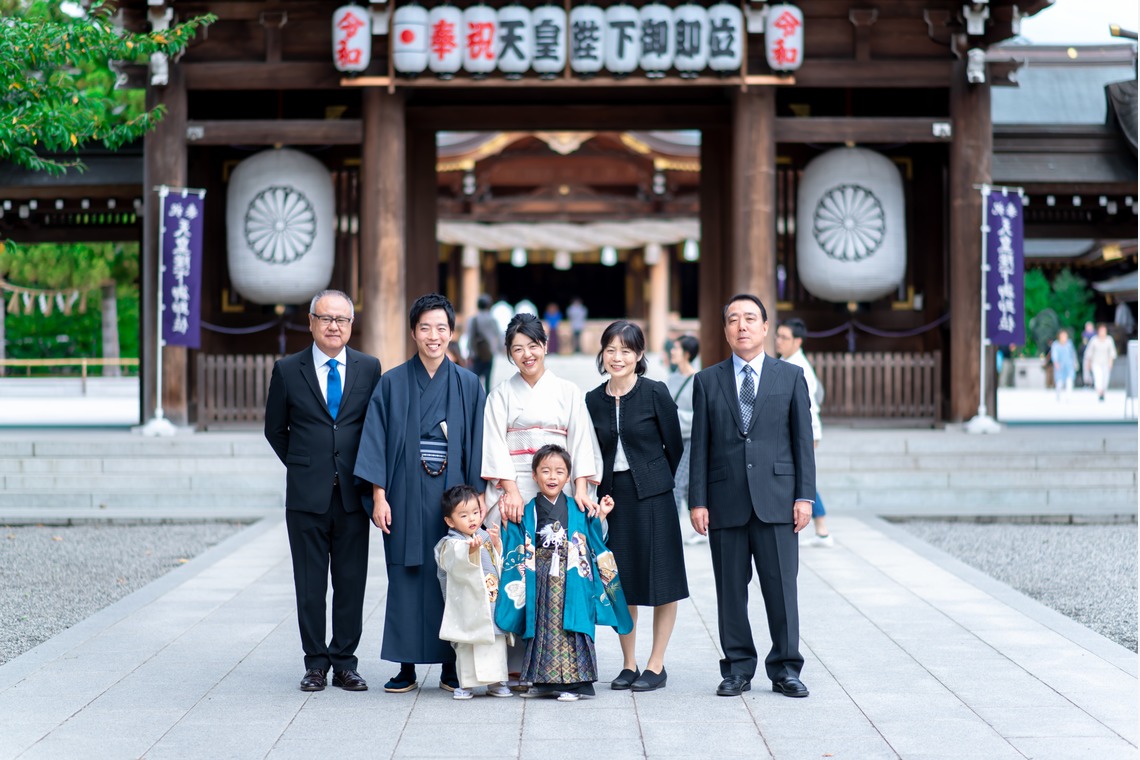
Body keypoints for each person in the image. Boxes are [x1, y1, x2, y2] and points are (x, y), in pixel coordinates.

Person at [354, 293, 487, 694]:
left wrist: (478, 501)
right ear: (413, 332)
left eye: (441, 328)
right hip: (404, 493)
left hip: (454, 497)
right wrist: (379, 497)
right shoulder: (392, 383)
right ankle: (406, 665)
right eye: (425, 327)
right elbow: (375, 442)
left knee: (455, 577)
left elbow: (478, 445)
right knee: (406, 576)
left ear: (452, 333)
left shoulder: (468, 384)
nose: (433, 336)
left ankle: (450, 664)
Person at [689, 294, 815, 699]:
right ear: (725, 330)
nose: (741, 326)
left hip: (778, 500)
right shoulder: (707, 381)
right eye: (733, 319)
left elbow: (802, 442)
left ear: (764, 327)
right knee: (730, 590)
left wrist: (805, 496)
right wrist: (697, 500)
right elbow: (700, 446)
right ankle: (737, 667)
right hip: (725, 501)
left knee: (782, 589)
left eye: (749, 318)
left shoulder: (790, 376)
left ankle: (786, 668)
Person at [264, 289, 382, 693]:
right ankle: (315, 663)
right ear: (311, 322)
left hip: (353, 493)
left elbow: (374, 428)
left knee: (351, 583)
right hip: (306, 496)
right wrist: (304, 465)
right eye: (326, 318)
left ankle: (345, 662)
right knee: (310, 585)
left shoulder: (369, 368)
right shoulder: (287, 369)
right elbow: (275, 429)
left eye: (342, 319)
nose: (334, 326)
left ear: (351, 325)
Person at [481, 312, 604, 684]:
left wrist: (579, 487)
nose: (526, 355)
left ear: (545, 346)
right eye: (517, 349)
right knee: (516, 568)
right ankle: (515, 660)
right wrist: (510, 491)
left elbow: (580, 440)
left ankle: (559, 657)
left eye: (532, 346)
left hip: (557, 485)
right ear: (509, 353)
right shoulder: (501, 394)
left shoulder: (567, 391)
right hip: (516, 484)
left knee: (559, 572)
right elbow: (494, 443)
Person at [585, 321, 687, 693]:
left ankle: (656, 664)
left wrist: (656, 480)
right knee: (620, 581)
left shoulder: (655, 392)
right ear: (602, 354)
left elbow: (675, 446)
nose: (618, 357)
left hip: (655, 497)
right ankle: (629, 663)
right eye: (611, 350)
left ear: (639, 355)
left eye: (626, 350)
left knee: (663, 580)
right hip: (614, 500)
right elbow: (591, 450)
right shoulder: (592, 399)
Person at [494, 444, 633, 701]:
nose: (552, 477)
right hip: (540, 577)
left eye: (559, 472)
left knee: (573, 627)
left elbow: (591, 536)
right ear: (534, 475)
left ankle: (576, 684)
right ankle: (543, 682)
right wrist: (506, 523)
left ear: (568, 477)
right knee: (543, 627)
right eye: (545, 471)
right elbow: (517, 538)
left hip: (573, 578)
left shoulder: (577, 508)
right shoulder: (529, 509)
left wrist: (601, 515)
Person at [433, 484, 512, 700]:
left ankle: (497, 682)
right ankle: (466, 684)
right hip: (468, 606)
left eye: (476, 512)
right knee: (467, 644)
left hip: (490, 601)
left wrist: (495, 544)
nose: (472, 519)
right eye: (464, 515)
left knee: (495, 642)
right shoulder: (451, 543)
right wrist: (470, 551)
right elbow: (453, 563)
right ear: (450, 521)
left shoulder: (483, 536)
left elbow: (497, 563)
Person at [776, 318, 833, 548]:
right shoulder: (785, 361)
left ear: (797, 341)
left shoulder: (800, 368)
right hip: (794, 430)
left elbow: (807, 407)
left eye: (784, 337)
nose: (779, 341)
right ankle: (821, 528)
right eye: (778, 336)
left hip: (805, 431)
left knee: (801, 475)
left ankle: (821, 527)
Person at [667, 335, 703, 545]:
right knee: (689, 487)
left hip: (690, 441)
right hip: (673, 440)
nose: (672, 352)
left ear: (687, 354)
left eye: (676, 349)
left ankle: (671, 533)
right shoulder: (672, 378)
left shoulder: (697, 380)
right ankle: (703, 526)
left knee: (677, 484)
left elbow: (699, 416)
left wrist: (674, 416)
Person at [466, 294, 500, 394]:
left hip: (477, 353)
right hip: (489, 353)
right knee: (488, 379)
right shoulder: (493, 319)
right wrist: (496, 349)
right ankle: (487, 398)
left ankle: (476, 398)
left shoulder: (474, 319)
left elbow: (471, 337)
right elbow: (497, 335)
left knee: (476, 378)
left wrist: (470, 353)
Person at [1083, 323, 1118, 402]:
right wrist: (1088, 363)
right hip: (1096, 363)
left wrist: (1111, 362)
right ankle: (1099, 392)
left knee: (1105, 379)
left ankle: (1103, 392)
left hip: (1106, 363)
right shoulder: (1094, 340)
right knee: (1098, 378)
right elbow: (1089, 353)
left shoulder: (1109, 340)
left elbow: (1112, 353)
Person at [1049, 329, 1078, 402]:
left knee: (1069, 380)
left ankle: (1068, 396)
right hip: (1060, 366)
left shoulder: (1069, 344)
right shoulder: (1056, 345)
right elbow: (1054, 355)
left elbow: (1073, 354)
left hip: (1069, 365)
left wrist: (1075, 363)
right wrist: (1056, 363)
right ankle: (1058, 393)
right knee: (1059, 382)